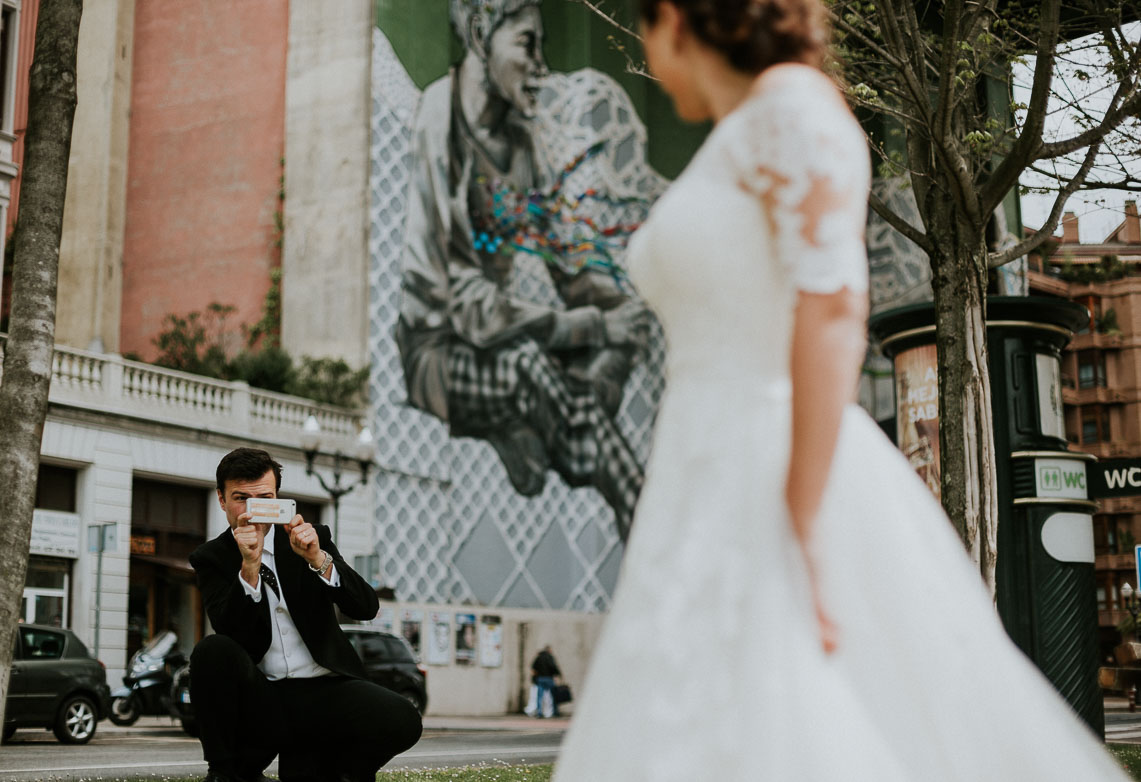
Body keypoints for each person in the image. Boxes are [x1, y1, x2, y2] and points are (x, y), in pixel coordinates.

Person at [552, 1, 1131, 780]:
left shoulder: (790, 106)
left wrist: (802, 518)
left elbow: (829, 310)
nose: (648, 59)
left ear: (678, 19)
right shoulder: (734, 137)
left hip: (770, 456)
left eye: (645, 28)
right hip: (699, 470)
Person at [395, 0, 652, 537]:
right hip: (437, 351)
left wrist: (618, 309)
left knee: (620, 326)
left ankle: (529, 425)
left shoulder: (522, 142)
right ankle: (639, 508)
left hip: (500, 337)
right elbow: (466, 306)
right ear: (480, 32)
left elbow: (568, 257)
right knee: (529, 362)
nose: (541, 64)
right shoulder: (439, 120)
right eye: (527, 44)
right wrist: (592, 326)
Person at [187, 448, 422, 782]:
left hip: (323, 688)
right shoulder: (211, 557)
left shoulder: (310, 538)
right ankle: (224, 771)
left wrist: (318, 559)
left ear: (278, 498)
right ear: (222, 500)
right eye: (241, 498)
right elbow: (230, 631)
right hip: (263, 696)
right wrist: (249, 567)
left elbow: (366, 607)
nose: (252, 509)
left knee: (403, 719)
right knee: (210, 650)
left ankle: (338, 773)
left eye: (264, 498)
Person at [530, 645, 562, 718]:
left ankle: (539, 712)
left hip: (540, 679)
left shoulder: (538, 657)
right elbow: (554, 667)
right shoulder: (550, 657)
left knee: (539, 697)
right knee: (553, 695)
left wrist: (534, 678)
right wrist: (558, 674)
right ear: (549, 650)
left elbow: (533, 669)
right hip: (549, 678)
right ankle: (555, 711)